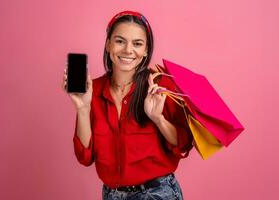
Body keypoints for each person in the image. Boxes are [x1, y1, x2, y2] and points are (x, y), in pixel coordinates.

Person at [62, 10, 193, 200]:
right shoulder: (93, 90)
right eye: (120, 41)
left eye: (137, 44)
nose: (128, 50)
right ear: (108, 44)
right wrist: (83, 108)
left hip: (157, 194)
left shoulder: (160, 87)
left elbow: (182, 144)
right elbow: (85, 157)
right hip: (112, 195)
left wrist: (158, 119)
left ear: (146, 50)